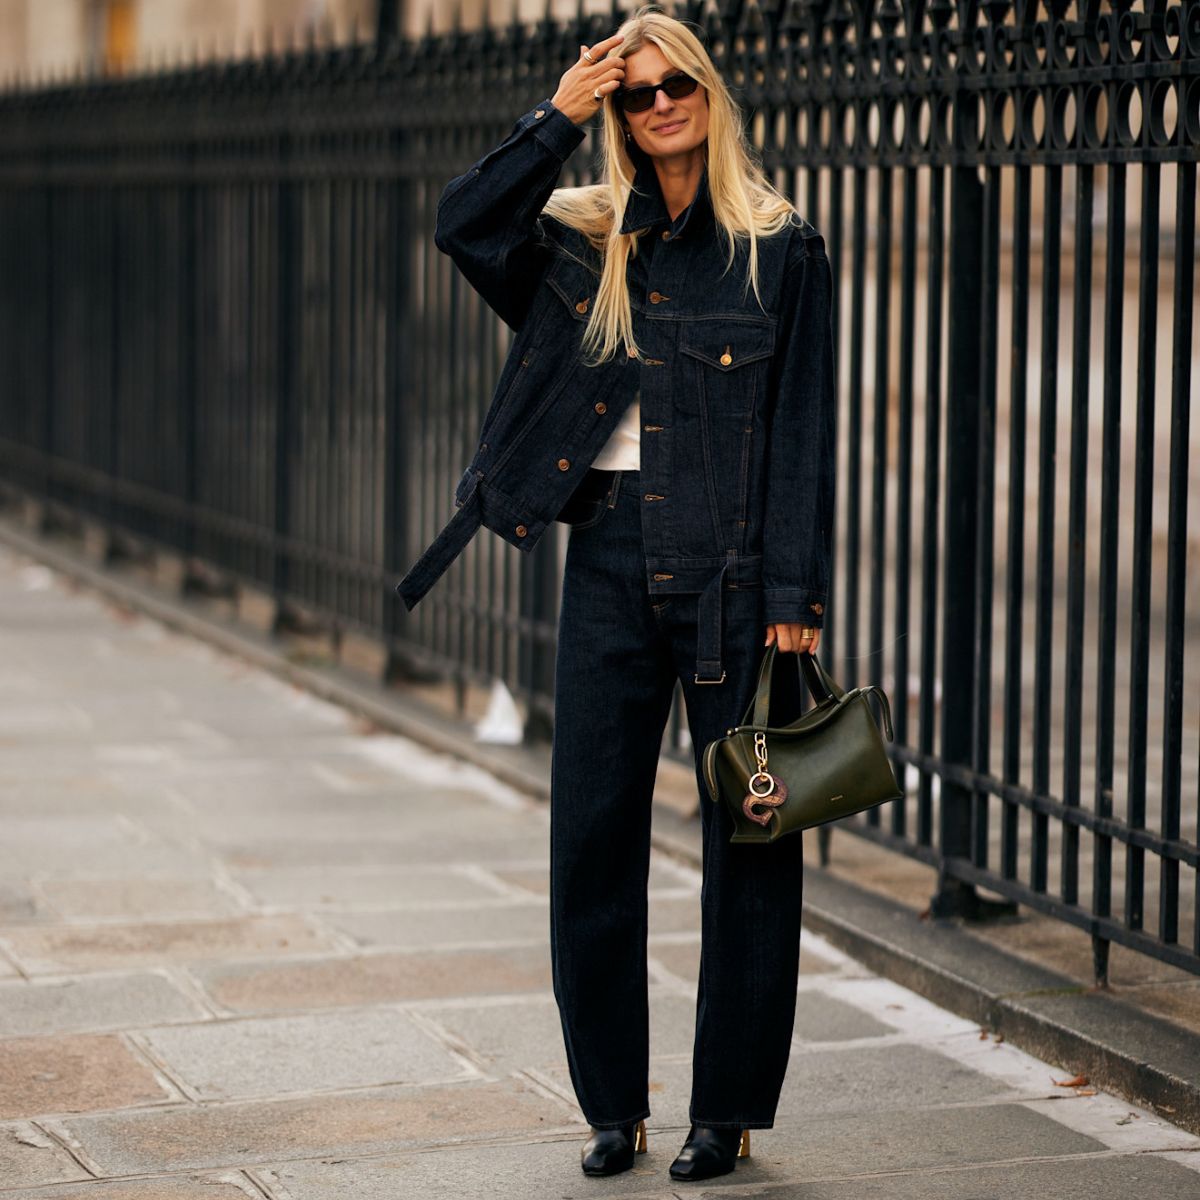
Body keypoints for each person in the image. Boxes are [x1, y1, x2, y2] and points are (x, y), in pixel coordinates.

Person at [396, 5, 835, 1183]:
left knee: (752, 840)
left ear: (708, 90)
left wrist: (797, 592)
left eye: (672, 83)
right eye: (634, 93)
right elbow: (460, 222)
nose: (657, 105)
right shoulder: (584, 241)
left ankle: (725, 1111)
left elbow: (802, 432)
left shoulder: (781, 248)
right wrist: (557, 111)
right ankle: (613, 1107)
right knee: (591, 838)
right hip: (604, 560)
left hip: (734, 579)